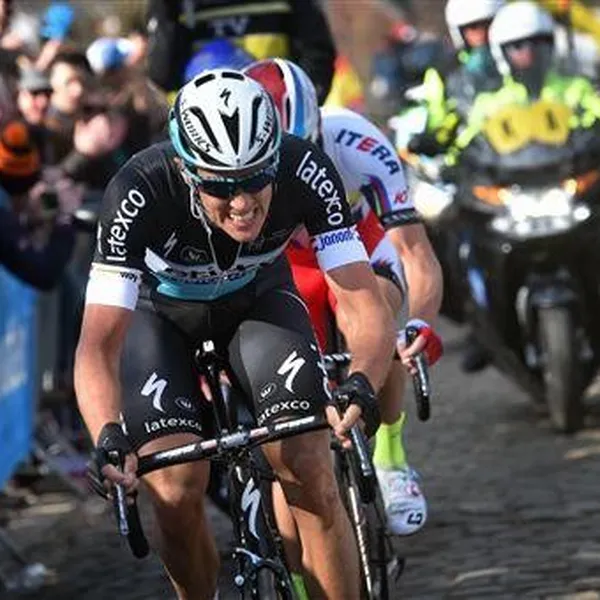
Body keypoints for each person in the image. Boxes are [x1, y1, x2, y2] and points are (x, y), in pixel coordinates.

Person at [74, 68, 403, 600]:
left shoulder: (305, 168)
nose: (243, 203)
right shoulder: (138, 190)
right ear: (186, 170)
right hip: (162, 318)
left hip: (259, 300)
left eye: (255, 178)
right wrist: (106, 433)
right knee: (175, 490)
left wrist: (363, 379)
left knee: (309, 468)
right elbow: (99, 343)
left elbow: (363, 301)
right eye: (221, 186)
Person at [244, 59, 443, 541]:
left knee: (376, 317)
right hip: (289, 260)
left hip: (358, 242)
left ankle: (391, 457)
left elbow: (414, 252)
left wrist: (420, 323)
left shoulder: (357, 141)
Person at [145, 0, 336, 104]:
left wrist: (299, 110)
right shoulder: (176, 6)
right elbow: (162, 74)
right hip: (197, 120)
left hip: (273, 116)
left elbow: (317, 54)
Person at [408, 0, 505, 157]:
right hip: (470, 156)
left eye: (489, 25)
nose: (483, 34)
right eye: (473, 28)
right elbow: (438, 117)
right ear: (460, 33)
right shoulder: (445, 71)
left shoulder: (521, 62)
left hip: (518, 147)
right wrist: (434, 139)